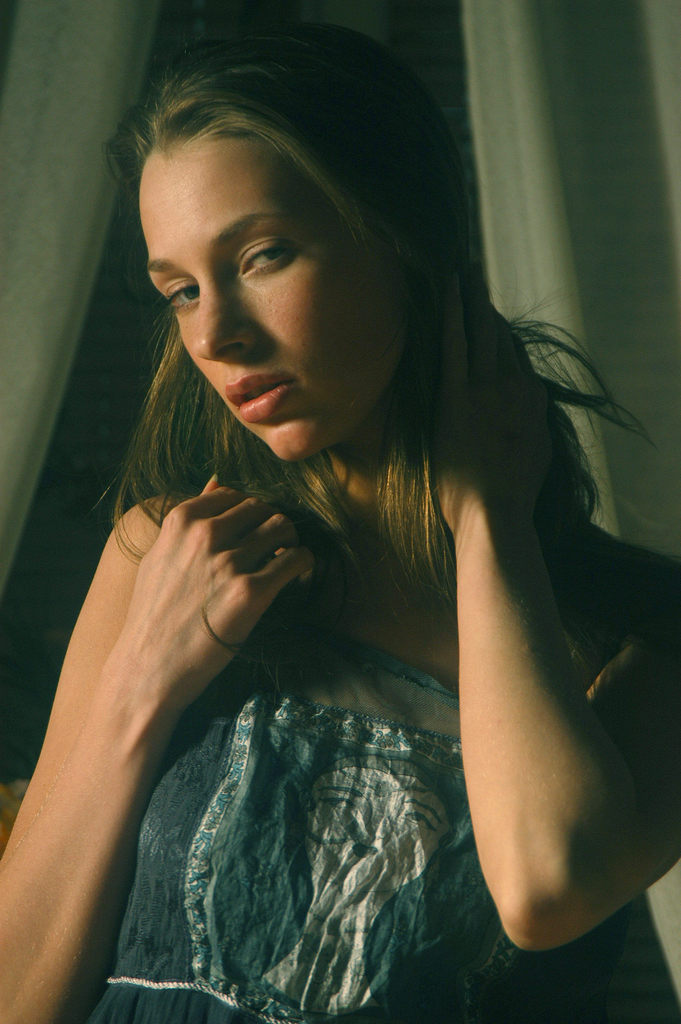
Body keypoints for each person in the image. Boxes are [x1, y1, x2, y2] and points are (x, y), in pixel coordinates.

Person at [1, 22, 680, 1024]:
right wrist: (141, 680)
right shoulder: (171, 555)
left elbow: (548, 886)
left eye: (263, 255)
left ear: (405, 241)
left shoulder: (644, 629)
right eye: (180, 291)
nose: (214, 334)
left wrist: (489, 523)